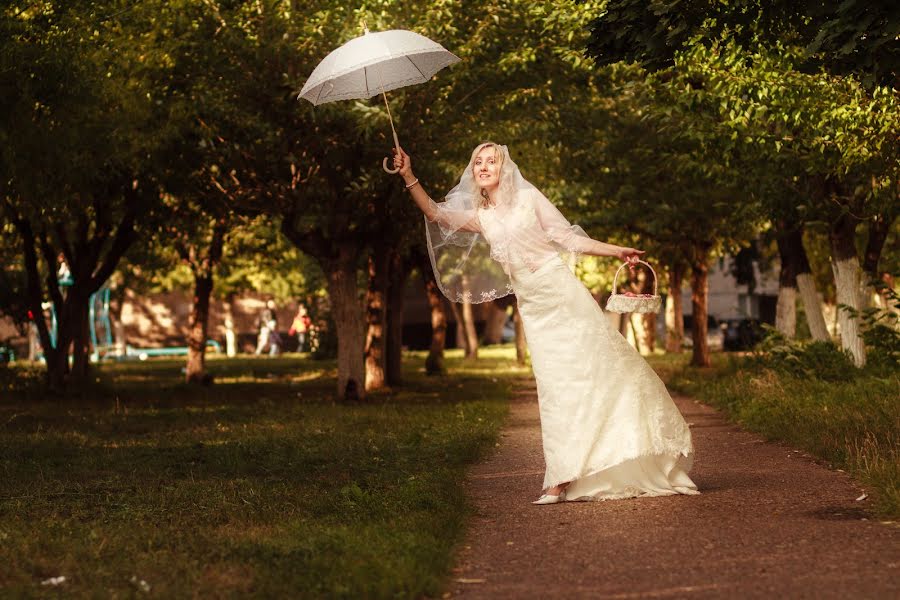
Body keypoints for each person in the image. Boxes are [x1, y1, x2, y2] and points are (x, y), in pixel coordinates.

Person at [392, 142, 698, 504]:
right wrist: (409, 174)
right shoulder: (481, 216)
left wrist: (617, 251)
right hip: (535, 309)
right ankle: (564, 474)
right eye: (478, 162)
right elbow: (436, 214)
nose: (484, 166)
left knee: (605, 369)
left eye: (492, 161)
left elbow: (566, 237)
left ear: (505, 168)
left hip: (563, 295)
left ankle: (635, 451)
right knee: (555, 388)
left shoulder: (527, 197)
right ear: (473, 173)